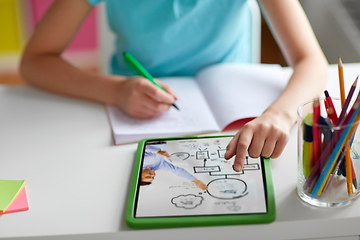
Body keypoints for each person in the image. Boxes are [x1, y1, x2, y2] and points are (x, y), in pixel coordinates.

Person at [20, 0, 328, 172]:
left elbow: (312, 60)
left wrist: (280, 115)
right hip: (133, 120)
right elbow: (34, 61)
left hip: (233, 126)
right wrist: (114, 90)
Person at [141, 144, 208, 190]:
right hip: (163, 139)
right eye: (152, 177)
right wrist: (196, 181)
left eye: (148, 176)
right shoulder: (159, 166)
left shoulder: (140, 163)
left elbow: (141, 147)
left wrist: (157, 151)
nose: (152, 175)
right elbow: (178, 171)